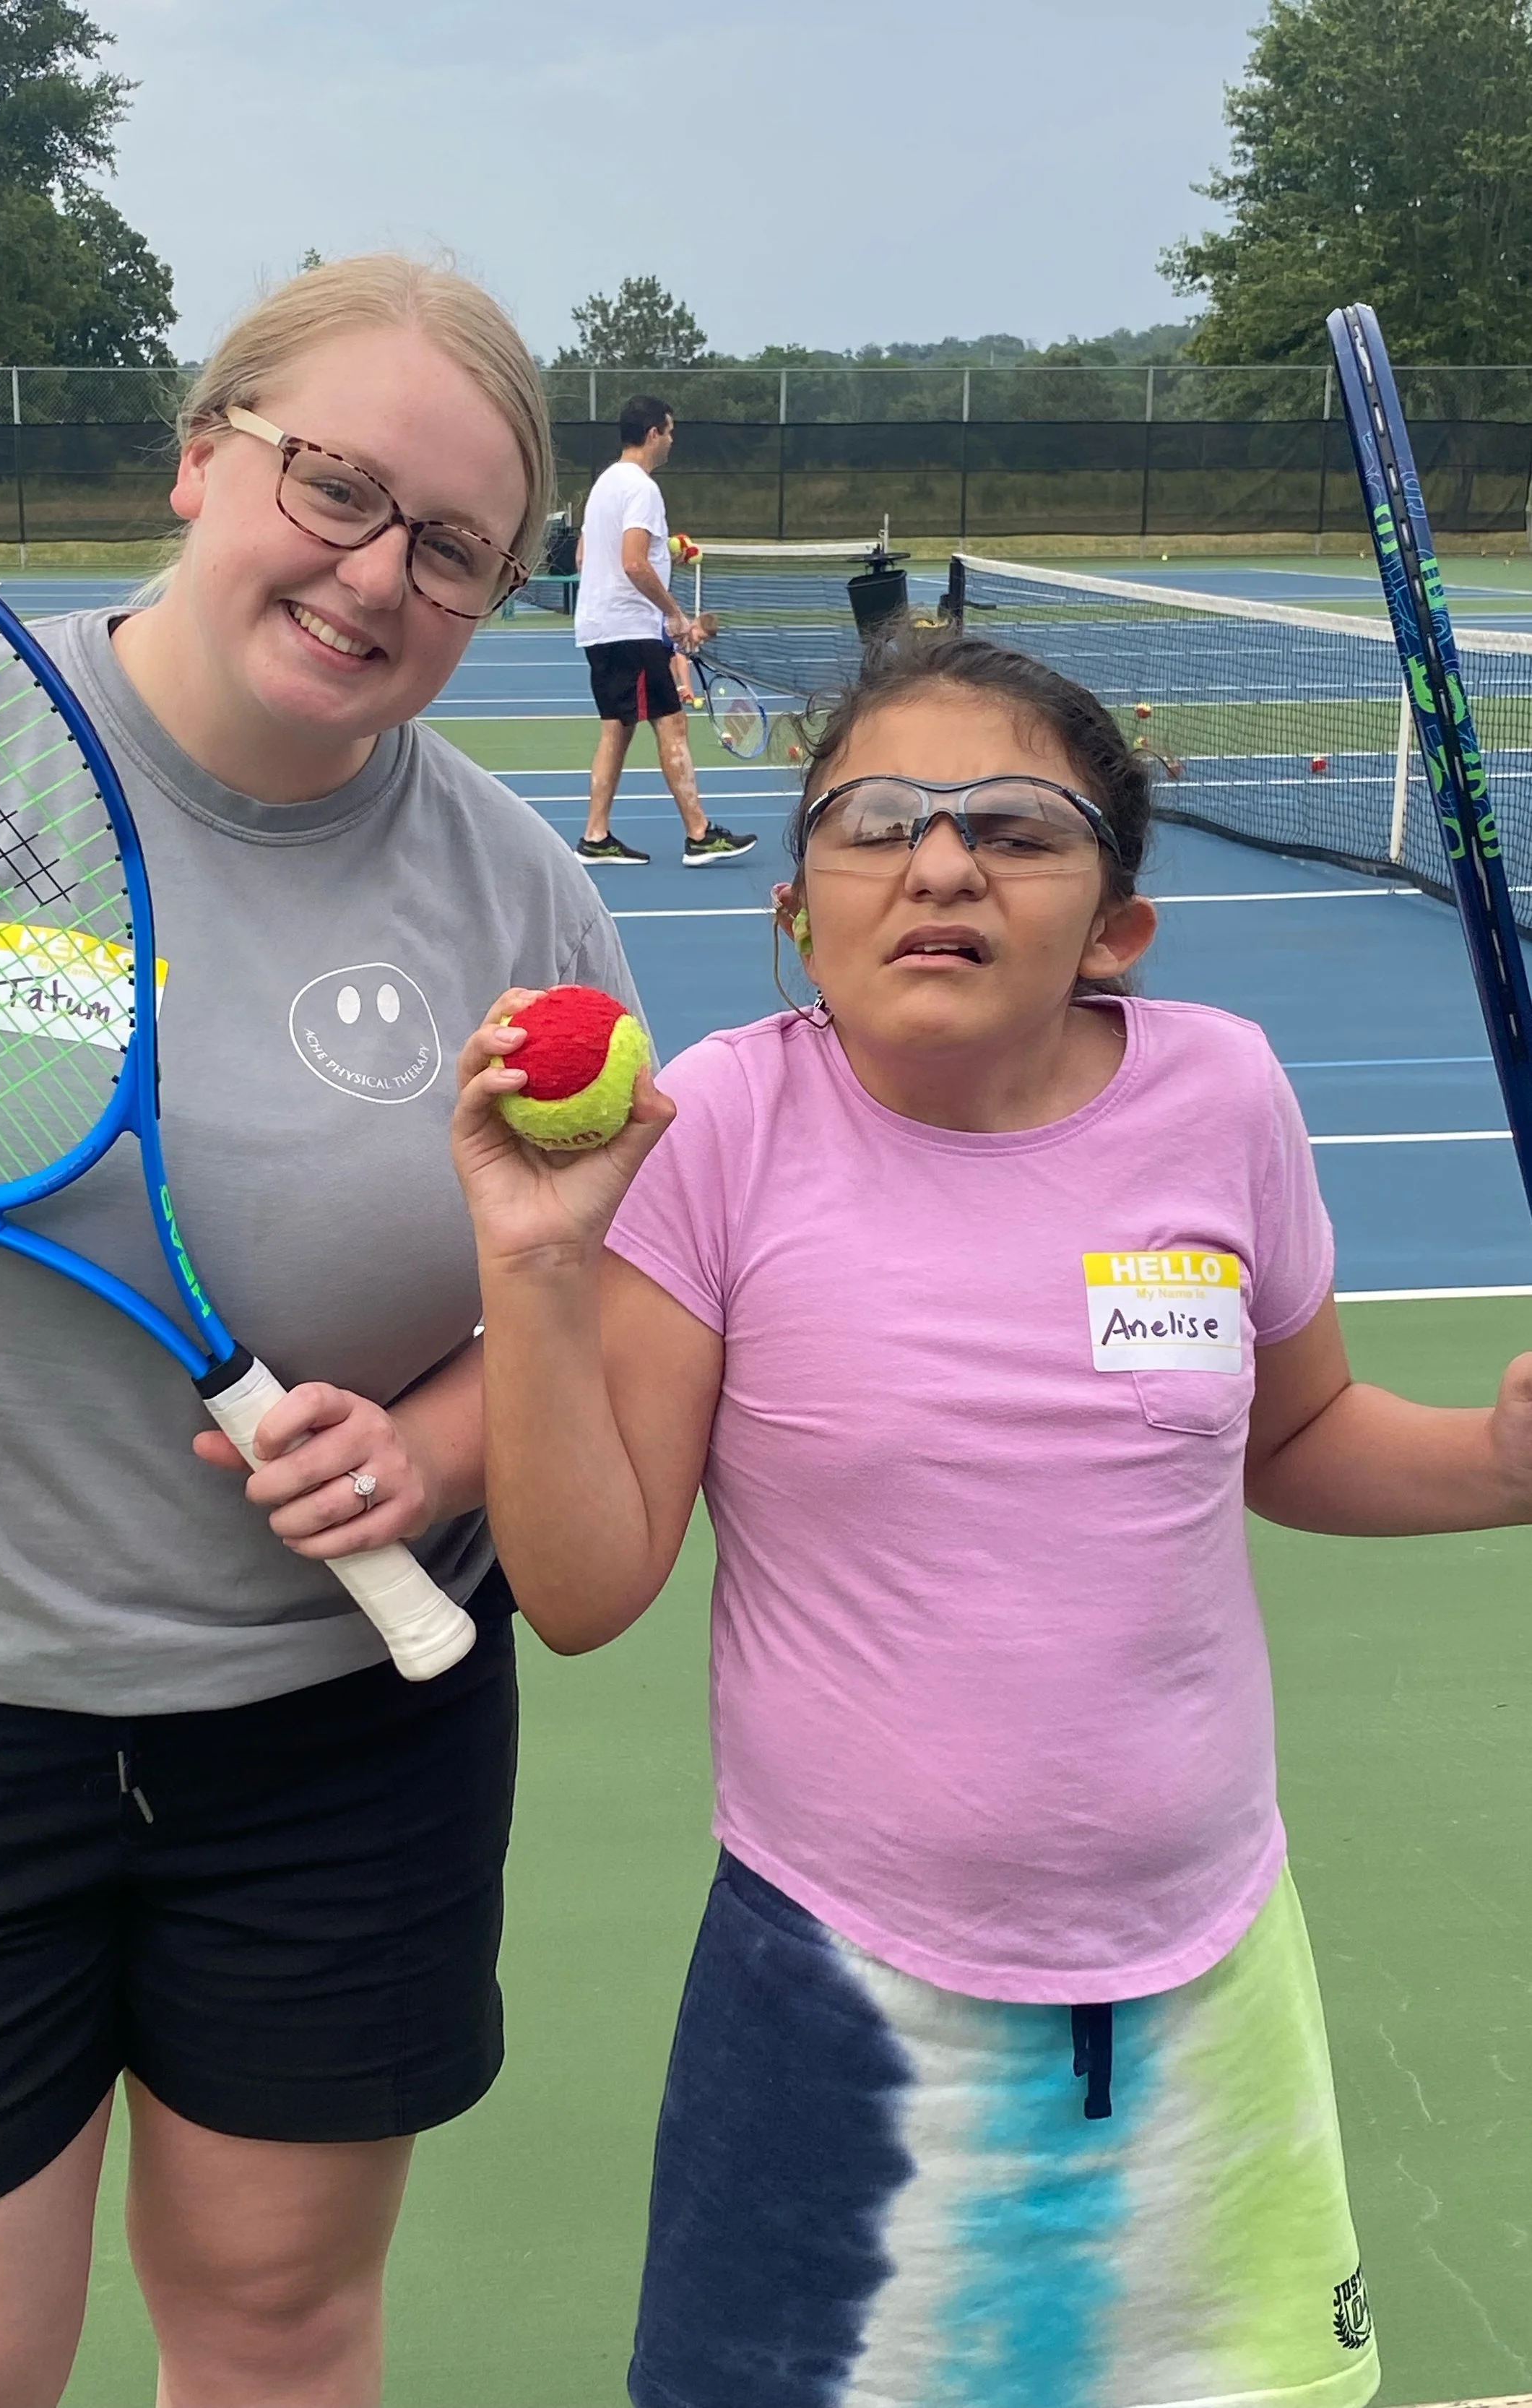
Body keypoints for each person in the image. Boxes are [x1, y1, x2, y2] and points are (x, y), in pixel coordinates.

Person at [0, 254, 639, 2408]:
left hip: (336, 1742)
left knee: (279, 2335)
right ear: (201, 452)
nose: (372, 574)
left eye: (449, 550)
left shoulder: (522, 897)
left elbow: (569, 1300)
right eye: (332, 485)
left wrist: (422, 1451)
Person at [453, 623, 1532, 2408]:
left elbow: (1302, 1433)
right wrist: (539, 1258)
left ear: (1114, 925)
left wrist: (1503, 1468)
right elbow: (580, 1586)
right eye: (874, 821)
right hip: (841, 2001)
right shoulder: (719, 1124)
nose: (939, 860)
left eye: (1016, 828)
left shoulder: (1224, 1092)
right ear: (795, 909)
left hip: (1204, 1990)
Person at [571, 394, 756, 868]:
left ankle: (596, 836)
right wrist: (672, 614)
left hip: (601, 628)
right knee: (671, 722)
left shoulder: (604, 485)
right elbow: (633, 563)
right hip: (628, 629)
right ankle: (699, 834)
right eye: (670, 431)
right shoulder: (642, 489)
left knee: (618, 728)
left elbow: (586, 559)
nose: (672, 439)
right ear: (654, 433)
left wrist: (660, 571)